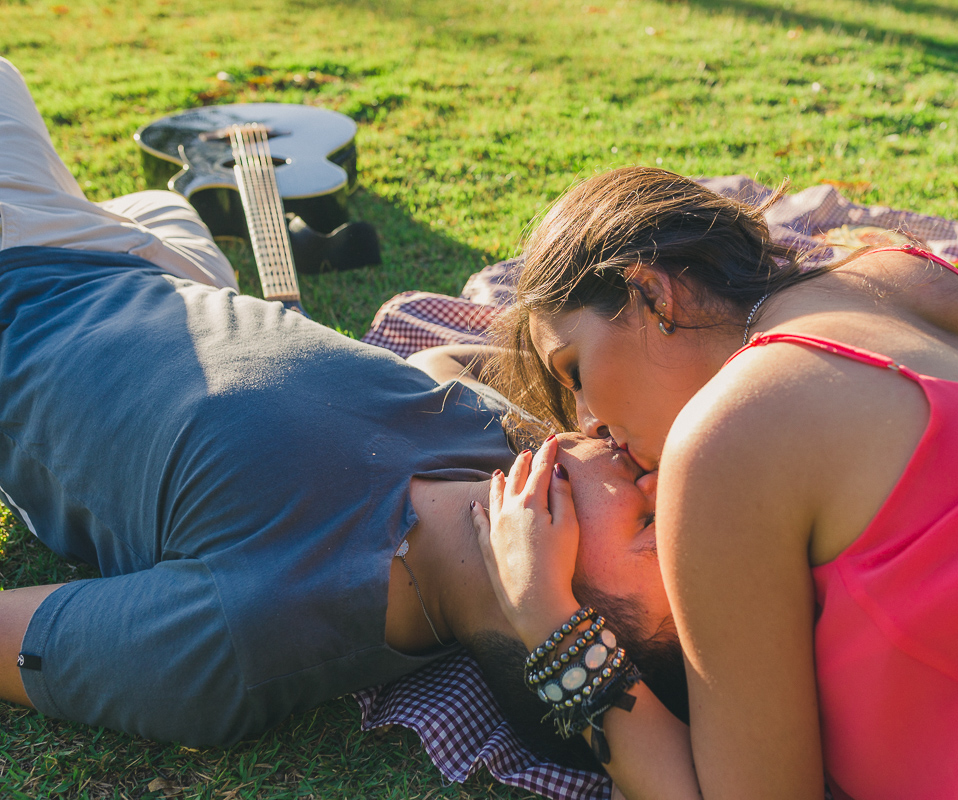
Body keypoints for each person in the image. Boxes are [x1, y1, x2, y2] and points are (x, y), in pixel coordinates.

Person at [0, 58, 684, 761]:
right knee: (163, 206)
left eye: (648, 523)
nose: (662, 478)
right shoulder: (511, 452)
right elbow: (437, 365)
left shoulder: (253, 633)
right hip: (167, 273)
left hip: (24, 284)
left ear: (556, 605)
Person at [472, 165, 958, 799]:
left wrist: (551, 626)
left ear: (653, 296)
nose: (591, 421)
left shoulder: (728, 436)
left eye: (575, 372)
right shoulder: (905, 276)